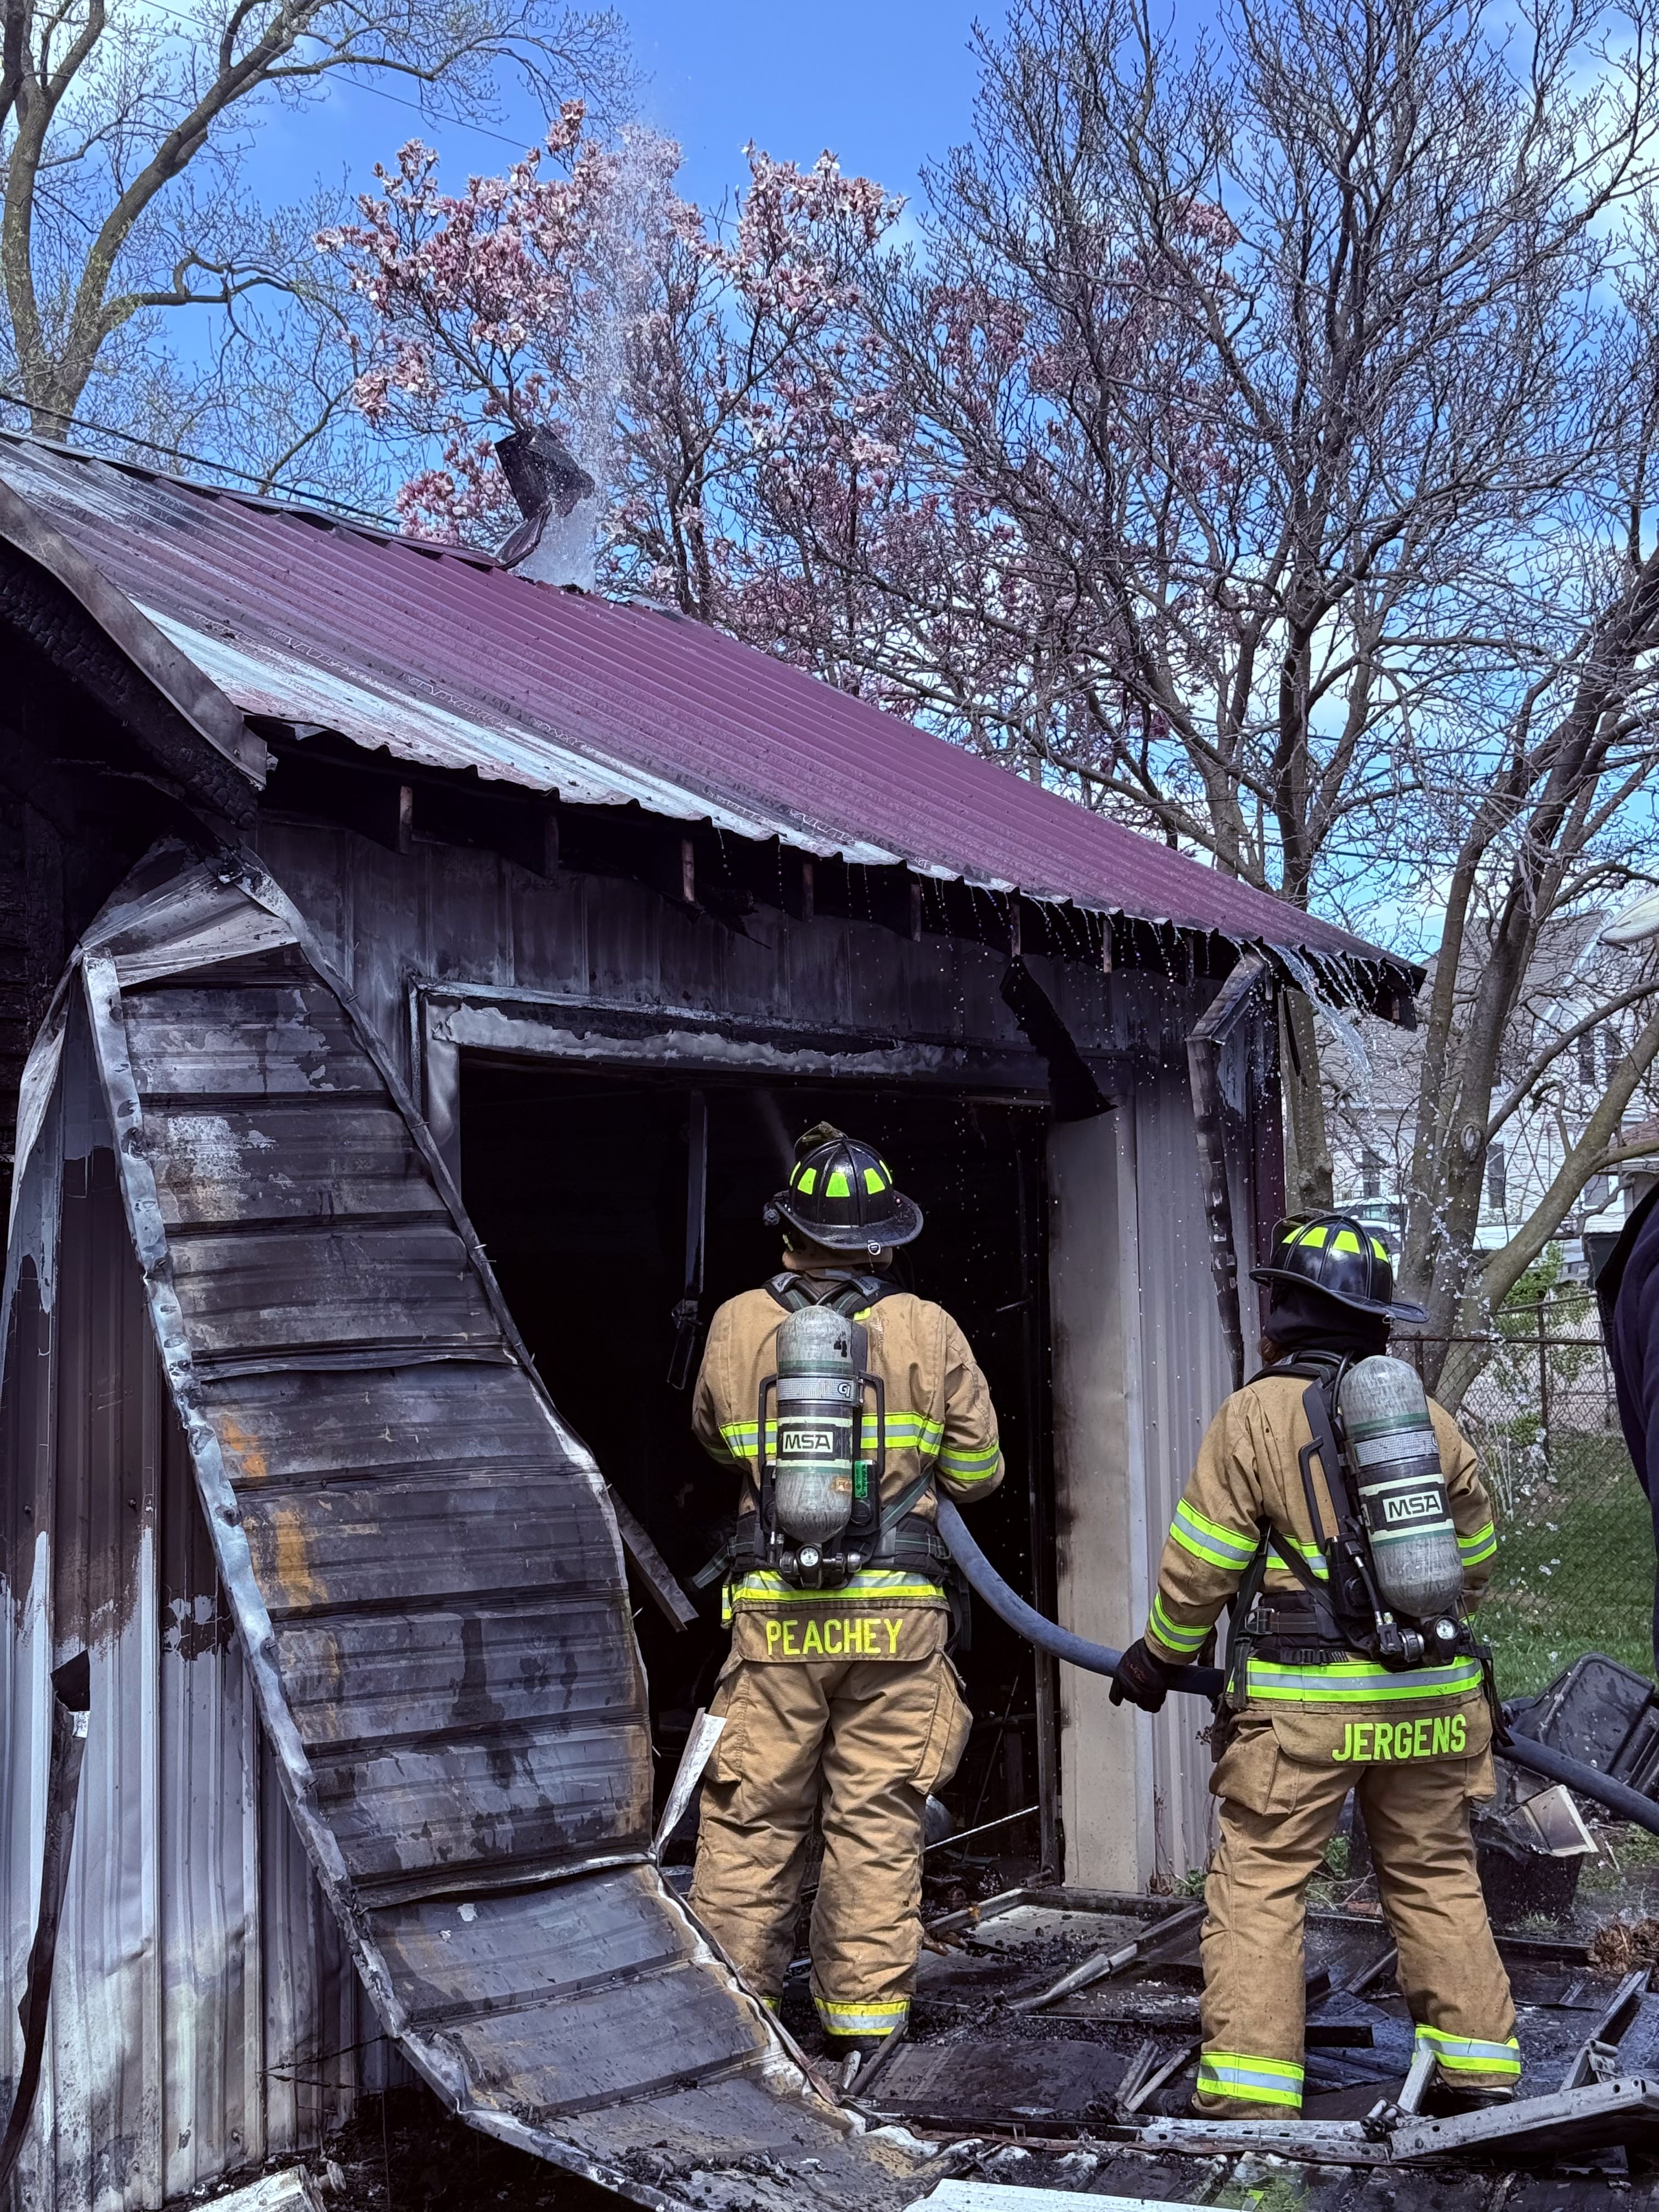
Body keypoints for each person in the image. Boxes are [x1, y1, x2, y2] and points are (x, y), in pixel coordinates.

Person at [1110, 1214, 1519, 2119]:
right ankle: (1484, 2075)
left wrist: (1156, 1660)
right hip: (1437, 1699)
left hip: (1306, 1712)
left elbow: (1204, 1563)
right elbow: (1476, 1559)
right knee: (1435, 1872)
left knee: (1261, 1879)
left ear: (1285, 1315)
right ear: (1376, 1320)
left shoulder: (1254, 1416)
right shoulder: (1428, 1420)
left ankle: (1253, 2104)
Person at [687, 1122, 1003, 2063]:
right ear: (884, 1239)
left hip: (776, 1616)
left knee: (753, 1819)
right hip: (900, 1618)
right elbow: (981, 1472)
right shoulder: (928, 1326)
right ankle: (863, 2027)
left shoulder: (740, 1323)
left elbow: (712, 1441)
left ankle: (731, 2029)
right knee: (875, 1818)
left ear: (789, 1227)